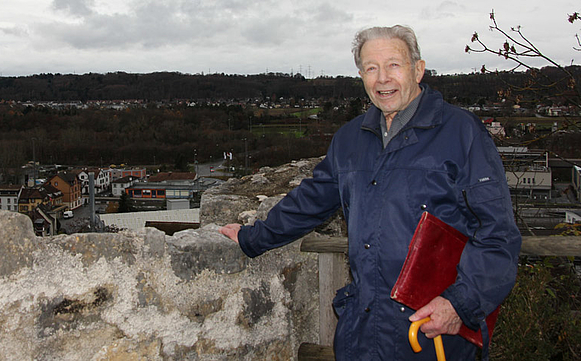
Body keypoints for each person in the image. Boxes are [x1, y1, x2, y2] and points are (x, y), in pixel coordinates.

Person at [219, 25, 521, 360]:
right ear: (361, 75)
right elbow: (312, 200)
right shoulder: (351, 139)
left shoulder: (462, 133)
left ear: (418, 70)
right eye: (371, 68)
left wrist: (458, 304)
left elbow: (499, 235)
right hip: (363, 330)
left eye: (394, 65)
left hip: (432, 332)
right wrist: (253, 237)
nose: (382, 79)